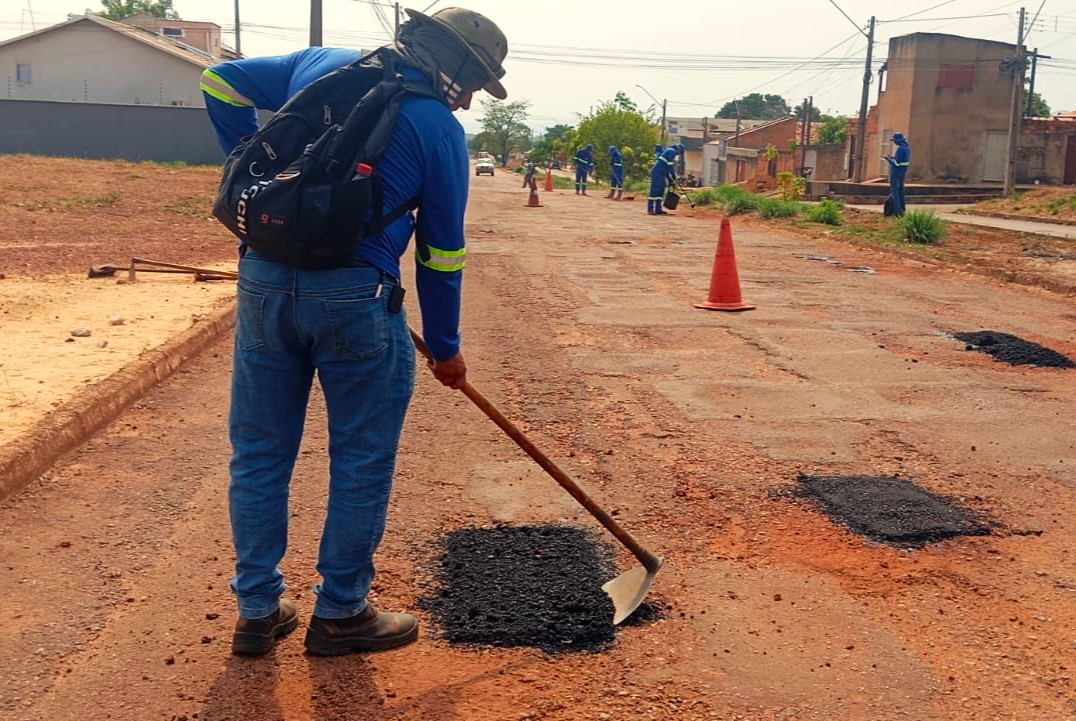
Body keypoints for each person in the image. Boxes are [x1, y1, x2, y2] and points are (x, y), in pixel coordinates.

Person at [200, 6, 508, 657]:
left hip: (262, 282)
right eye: (474, 82)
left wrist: (254, 172)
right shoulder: (439, 130)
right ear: (453, 67)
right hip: (354, 297)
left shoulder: (319, 67)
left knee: (258, 452)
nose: (470, 97)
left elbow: (218, 80)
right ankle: (341, 612)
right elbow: (441, 255)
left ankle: (257, 610)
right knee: (361, 456)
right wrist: (446, 350)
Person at [884, 132, 910, 217]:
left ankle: (897, 212)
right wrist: (892, 157)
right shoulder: (906, 148)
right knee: (900, 191)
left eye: (894, 140)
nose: (894, 142)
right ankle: (902, 210)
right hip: (903, 171)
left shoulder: (900, 149)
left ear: (897, 140)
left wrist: (888, 159)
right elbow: (902, 160)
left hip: (896, 172)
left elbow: (896, 163)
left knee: (895, 192)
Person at [647, 147, 677, 215]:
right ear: (678, 149)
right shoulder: (671, 151)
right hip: (657, 173)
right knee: (654, 190)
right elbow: (670, 165)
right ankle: (650, 209)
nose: (677, 155)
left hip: (662, 174)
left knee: (660, 191)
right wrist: (673, 174)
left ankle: (658, 209)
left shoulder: (669, 153)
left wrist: (670, 179)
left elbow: (666, 170)